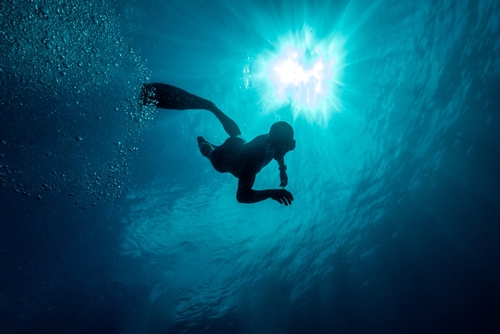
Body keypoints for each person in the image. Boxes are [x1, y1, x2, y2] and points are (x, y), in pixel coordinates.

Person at [141, 83, 296, 206]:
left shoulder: (272, 141)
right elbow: (242, 196)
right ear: (280, 142)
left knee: (237, 134)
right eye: (287, 145)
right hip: (223, 160)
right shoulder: (253, 161)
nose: (286, 149)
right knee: (210, 152)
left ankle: (212, 108)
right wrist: (272, 193)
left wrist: (282, 170)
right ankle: (203, 142)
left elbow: (278, 154)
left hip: (237, 142)